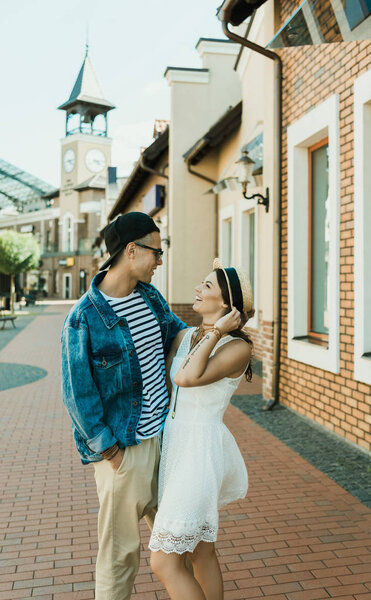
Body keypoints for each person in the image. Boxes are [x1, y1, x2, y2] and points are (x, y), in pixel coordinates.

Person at [61, 212, 187, 600]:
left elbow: (176, 334)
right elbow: (77, 393)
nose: (160, 260)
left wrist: (217, 335)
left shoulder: (149, 296)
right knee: (119, 558)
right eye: (157, 251)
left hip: (164, 442)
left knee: (177, 542)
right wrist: (110, 451)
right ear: (131, 251)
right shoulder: (83, 318)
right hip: (124, 451)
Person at [149, 258, 253, 600]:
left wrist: (218, 331)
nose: (197, 288)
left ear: (225, 304)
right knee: (200, 551)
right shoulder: (184, 335)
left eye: (207, 286)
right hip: (174, 446)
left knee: (163, 563)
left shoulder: (237, 347)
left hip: (199, 451)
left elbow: (185, 378)